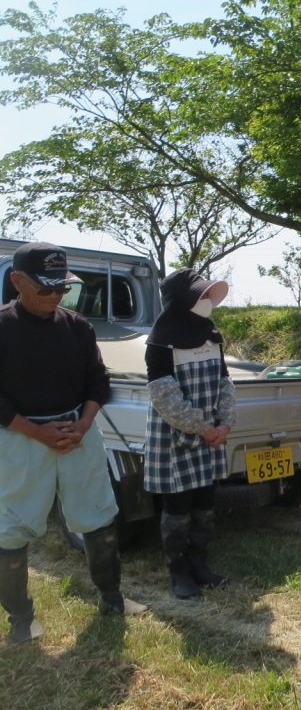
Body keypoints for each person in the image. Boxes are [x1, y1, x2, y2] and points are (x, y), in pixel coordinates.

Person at [0, 242, 146, 642]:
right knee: (11, 527)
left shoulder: (78, 326)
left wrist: (83, 425)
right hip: (20, 436)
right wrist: (36, 432)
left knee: (99, 515)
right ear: (17, 281)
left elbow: (97, 381)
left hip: (78, 433)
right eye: (45, 288)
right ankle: (21, 620)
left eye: (61, 289)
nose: (54, 297)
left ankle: (112, 599)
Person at [144, 268, 237, 599]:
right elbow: (164, 395)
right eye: (201, 295)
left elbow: (225, 383)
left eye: (208, 294)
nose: (208, 300)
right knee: (177, 508)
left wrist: (225, 423)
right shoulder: (160, 339)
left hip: (210, 437)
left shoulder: (212, 334)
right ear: (182, 300)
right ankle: (179, 572)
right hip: (176, 439)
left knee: (204, 503)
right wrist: (205, 427)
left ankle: (200, 564)